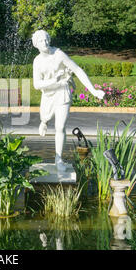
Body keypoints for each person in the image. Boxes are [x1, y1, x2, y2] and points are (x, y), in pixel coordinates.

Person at [32, 30, 105, 171]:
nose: (45, 43)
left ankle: (58, 158)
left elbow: (77, 70)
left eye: (46, 39)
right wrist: (54, 80)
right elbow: (36, 84)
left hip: (62, 92)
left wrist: (93, 90)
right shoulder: (37, 61)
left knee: (60, 127)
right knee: (45, 115)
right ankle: (44, 121)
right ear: (36, 44)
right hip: (48, 94)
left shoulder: (58, 54)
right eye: (41, 41)